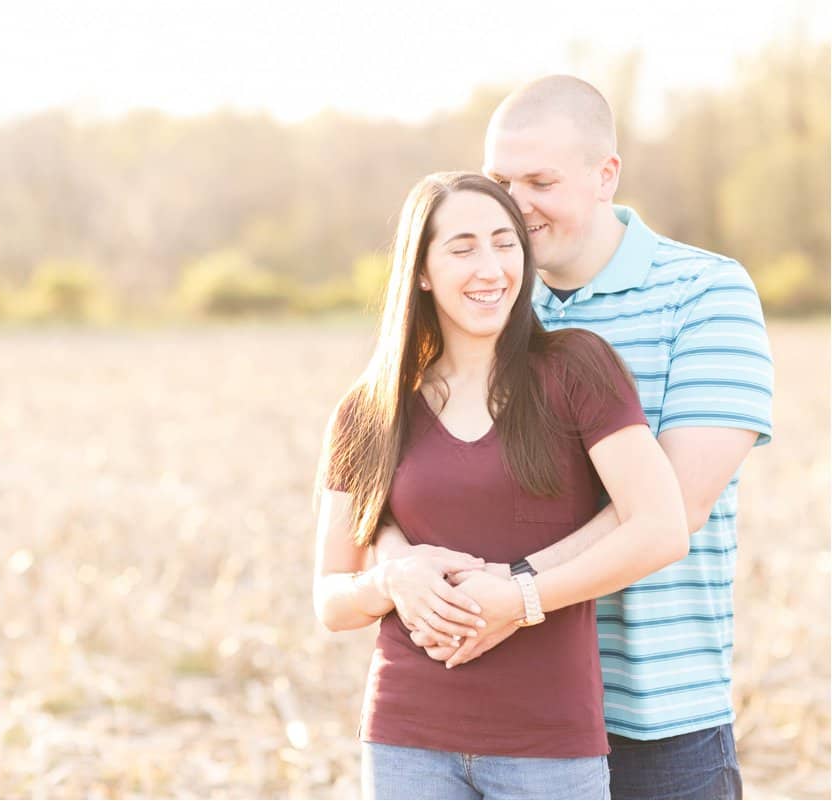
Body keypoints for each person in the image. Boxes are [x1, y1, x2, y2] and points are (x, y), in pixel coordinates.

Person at [374, 76, 774, 800]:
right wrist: (398, 565)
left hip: (655, 718)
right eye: (500, 179)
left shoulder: (707, 295)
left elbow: (669, 510)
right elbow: (398, 482)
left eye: (541, 180)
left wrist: (516, 590)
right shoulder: (486, 300)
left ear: (605, 176)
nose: (516, 202)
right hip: (506, 713)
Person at [312, 170, 689, 800]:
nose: (490, 268)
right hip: (407, 741)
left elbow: (661, 528)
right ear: (423, 271)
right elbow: (330, 598)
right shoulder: (370, 409)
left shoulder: (577, 369)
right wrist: (390, 580)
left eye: (504, 243)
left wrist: (522, 598)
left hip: (549, 745)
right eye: (462, 249)